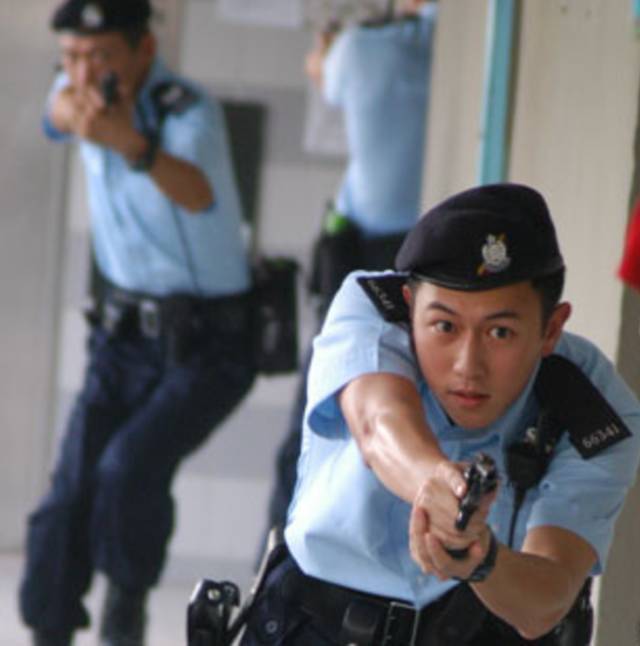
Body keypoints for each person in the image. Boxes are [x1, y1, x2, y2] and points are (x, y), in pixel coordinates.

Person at [240, 183, 640, 645]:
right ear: (411, 310)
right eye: (444, 326)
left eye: (501, 332)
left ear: (551, 329)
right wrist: (436, 486)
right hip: (314, 622)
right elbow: (378, 424)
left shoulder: (596, 411)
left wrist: (482, 559)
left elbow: (546, 601)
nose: (467, 365)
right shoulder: (371, 308)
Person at [19, 1, 256, 645]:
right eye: (71, 55)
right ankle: (48, 631)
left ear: (142, 51)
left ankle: (124, 618)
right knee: (68, 494)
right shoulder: (74, 93)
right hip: (121, 340)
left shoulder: (187, 111)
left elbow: (197, 192)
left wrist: (129, 141)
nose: (82, 70)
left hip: (210, 343)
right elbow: (56, 114)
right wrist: (82, 110)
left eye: (100, 56)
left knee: (128, 470)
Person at [264, 0, 439, 541]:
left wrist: (329, 48)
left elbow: (323, 74)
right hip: (422, 251)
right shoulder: (435, 43)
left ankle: (278, 554)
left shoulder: (360, 50)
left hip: (376, 253)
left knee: (314, 420)